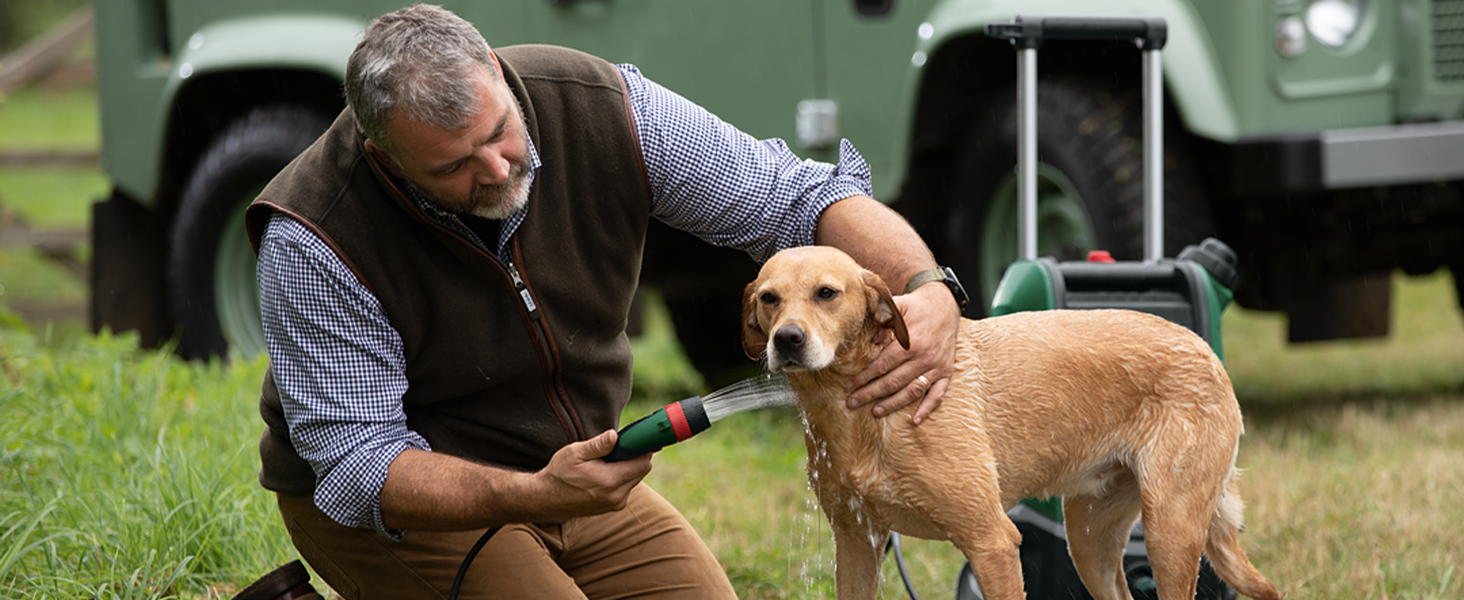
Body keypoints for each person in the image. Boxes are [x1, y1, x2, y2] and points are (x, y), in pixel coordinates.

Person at [245, 4, 962, 598]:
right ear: (383, 156)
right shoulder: (315, 236)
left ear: (495, 70)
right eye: (454, 166)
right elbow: (361, 468)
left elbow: (794, 196)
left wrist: (927, 287)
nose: (497, 169)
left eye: (499, 132)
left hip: (571, 477)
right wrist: (529, 496)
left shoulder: (601, 107)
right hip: (413, 509)